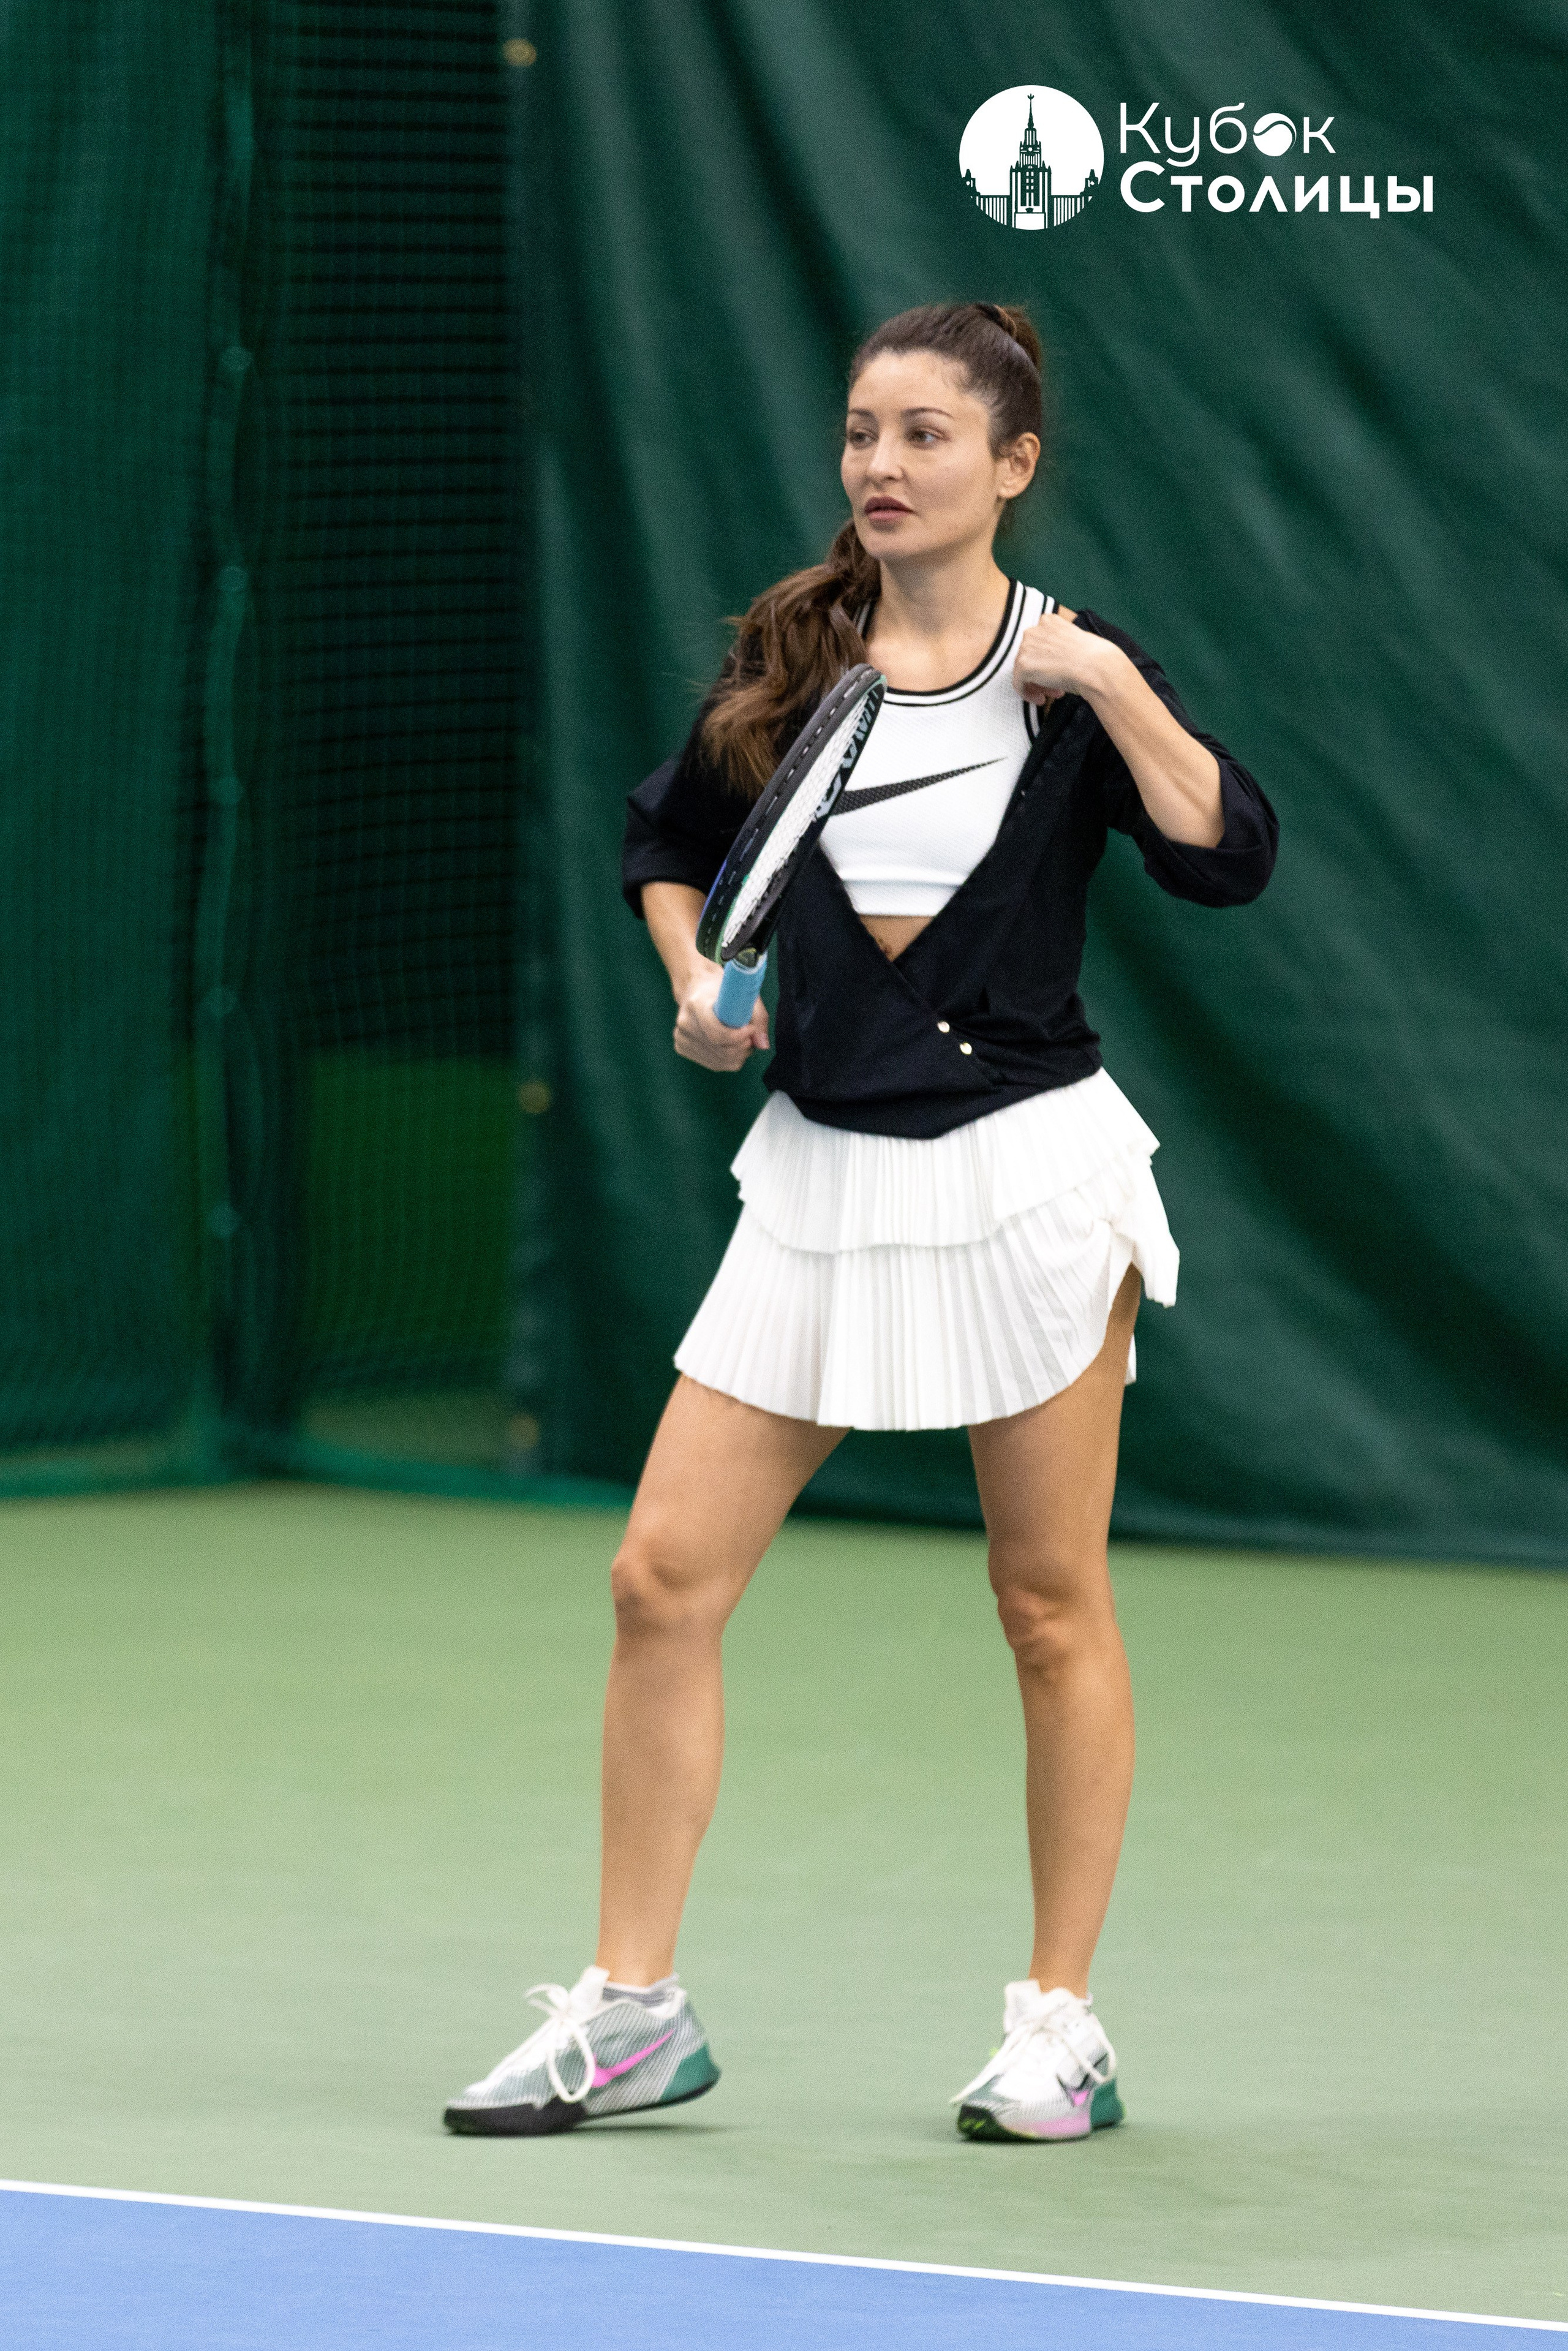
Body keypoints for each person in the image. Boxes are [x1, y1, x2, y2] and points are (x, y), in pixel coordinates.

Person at [444, 301, 1277, 2143]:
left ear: (1012, 464)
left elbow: (1228, 856)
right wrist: (696, 982)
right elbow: (671, 847)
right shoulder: (795, 656)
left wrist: (1116, 691)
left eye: (921, 435)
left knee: (1047, 1602)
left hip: (1028, 1177)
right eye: (859, 434)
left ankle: (1062, 2025)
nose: (880, 467)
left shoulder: (1070, 676)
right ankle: (637, 2012)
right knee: (661, 1575)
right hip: (819, 1177)